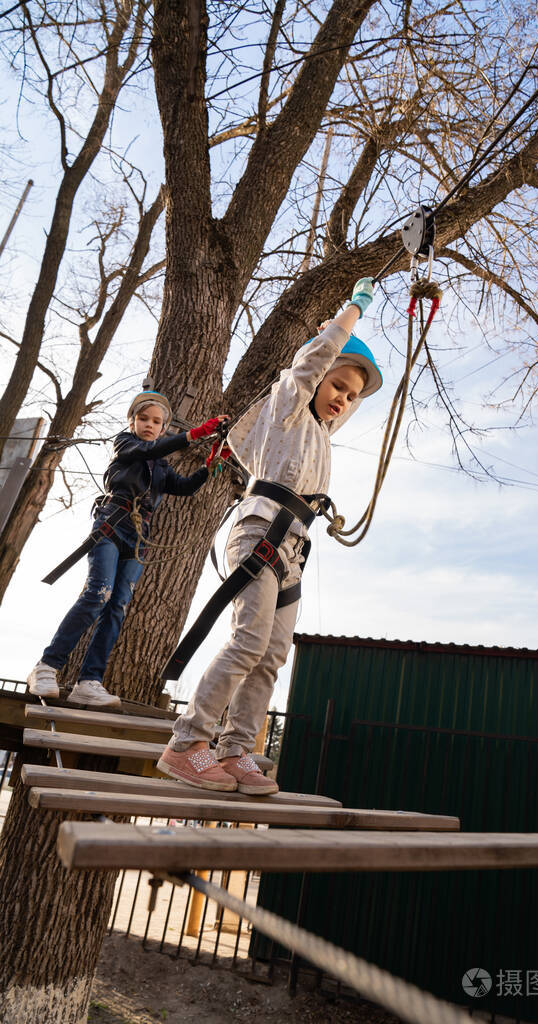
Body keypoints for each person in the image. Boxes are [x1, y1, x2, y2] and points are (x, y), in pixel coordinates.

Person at [157, 278, 381, 795]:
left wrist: (349, 368)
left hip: (294, 546)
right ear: (317, 377)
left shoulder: (321, 435)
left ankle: (235, 750)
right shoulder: (286, 408)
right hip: (260, 529)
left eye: (351, 396)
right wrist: (348, 317)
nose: (343, 400)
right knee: (248, 640)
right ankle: (187, 743)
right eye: (336, 387)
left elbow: (345, 390)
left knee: (273, 653)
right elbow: (309, 366)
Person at [27, 392, 228, 708]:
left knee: (118, 604)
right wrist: (195, 434)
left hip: (138, 537)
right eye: (144, 419)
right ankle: (47, 665)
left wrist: (211, 463)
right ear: (132, 422)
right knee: (98, 594)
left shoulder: (160, 467)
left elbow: (185, 487)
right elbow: (152, 448)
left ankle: (89, 680)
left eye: (157, 422)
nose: (150, 425)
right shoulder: (125, 444)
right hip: (111, 524)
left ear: (163, 428)